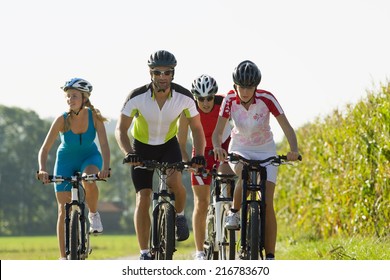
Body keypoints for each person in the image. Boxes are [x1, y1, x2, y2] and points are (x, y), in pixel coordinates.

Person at [115, 50, 206, 260]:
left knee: (176, 182)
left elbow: (197, 129)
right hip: (141, 148)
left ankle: (180, 216)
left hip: (168, 145)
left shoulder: (184, 97)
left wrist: (199, 154)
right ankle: (144, 252)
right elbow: (121, 130)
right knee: (143, 197)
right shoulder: (136, 97)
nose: (162, 77)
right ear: (150, 73)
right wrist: (129, 153)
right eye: (157, 72)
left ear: (173, 74)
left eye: (167, 72)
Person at [212, 60, 300, 260]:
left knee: (268, 202)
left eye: (249, 87)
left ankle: (270, 256)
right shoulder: (229, 101)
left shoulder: (267, 98)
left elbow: (287, 127)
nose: (245, 91)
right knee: (243, 172)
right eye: (241, 86)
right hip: (240, 148)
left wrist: (293, 150)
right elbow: (217, 132)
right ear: (235, 85)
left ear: (256, 87)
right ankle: (234, 212)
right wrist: (218, 147)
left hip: (265, 150)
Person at [37, 78, 111, 260]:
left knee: (88, 180)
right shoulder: (61, 119)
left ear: (84, 98)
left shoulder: (94, 116)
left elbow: (104, 145)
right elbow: (45, 148)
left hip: (90, 158)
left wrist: (106, 168)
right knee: (63, 210)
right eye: (68, 96)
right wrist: (42, 169)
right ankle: (63, 258)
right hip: (65, 161)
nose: (70, 99)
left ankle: (93, 214)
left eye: (75, 96)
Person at [178, 74, 234, 260]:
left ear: (214, 96)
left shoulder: (223, 103)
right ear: (195, 97)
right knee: (201, 203)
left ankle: (229, 212)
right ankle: (200, 252)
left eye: (209, 97)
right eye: (201, 98)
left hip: (223, 148)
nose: (206, 102)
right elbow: (181, 140)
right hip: (201, 154)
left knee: (226, 181)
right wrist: (187, 161)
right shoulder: (188, 110)